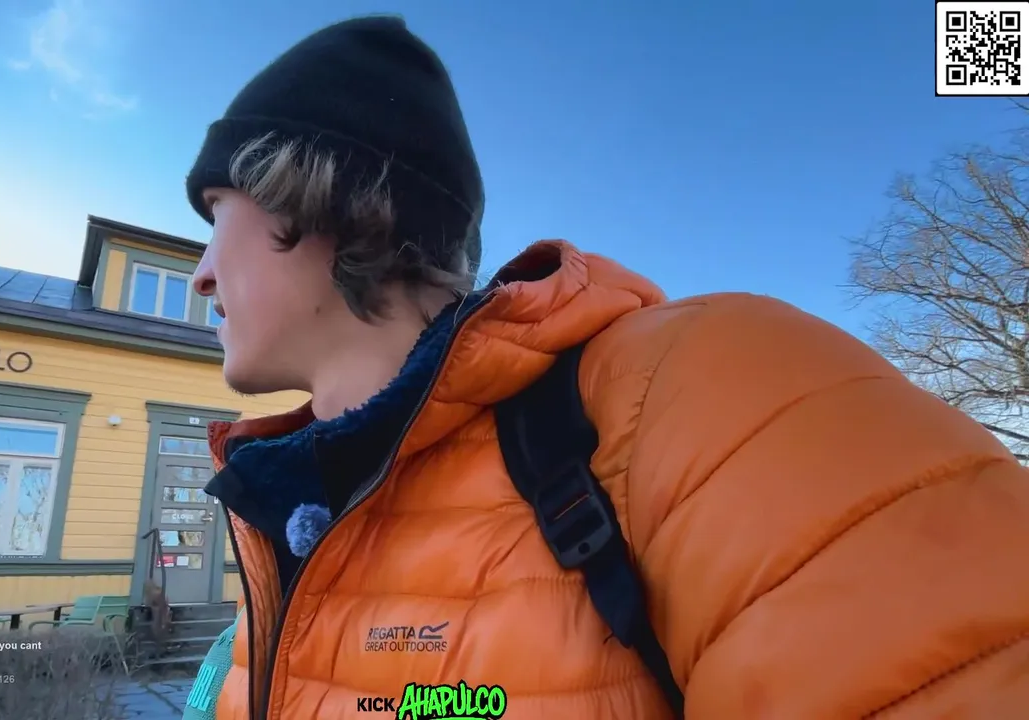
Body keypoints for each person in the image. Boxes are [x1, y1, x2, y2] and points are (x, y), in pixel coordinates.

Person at [182, 15, 1029, 720]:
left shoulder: (698, 394)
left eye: (218, 217)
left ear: (320, 196)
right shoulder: (279, 531)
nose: (200, 274)